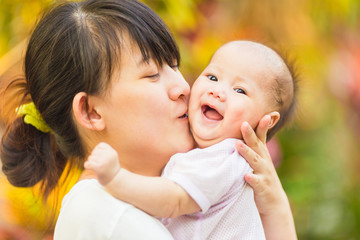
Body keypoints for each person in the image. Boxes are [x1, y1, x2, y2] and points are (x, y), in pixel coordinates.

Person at [0, 0, 297, 239]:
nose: (183, 87)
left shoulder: (128, 208)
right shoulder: (115, 220)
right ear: (91, 111)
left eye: (174, 65)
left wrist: (274, 206)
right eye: (152, 74)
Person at [84, 40, 298, 239]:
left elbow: (173, 200)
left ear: (267, 121)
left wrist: (116, 178)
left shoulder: (223, 158)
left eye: (240, 90)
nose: (217, 91)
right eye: (213, 77)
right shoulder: (208, 157)